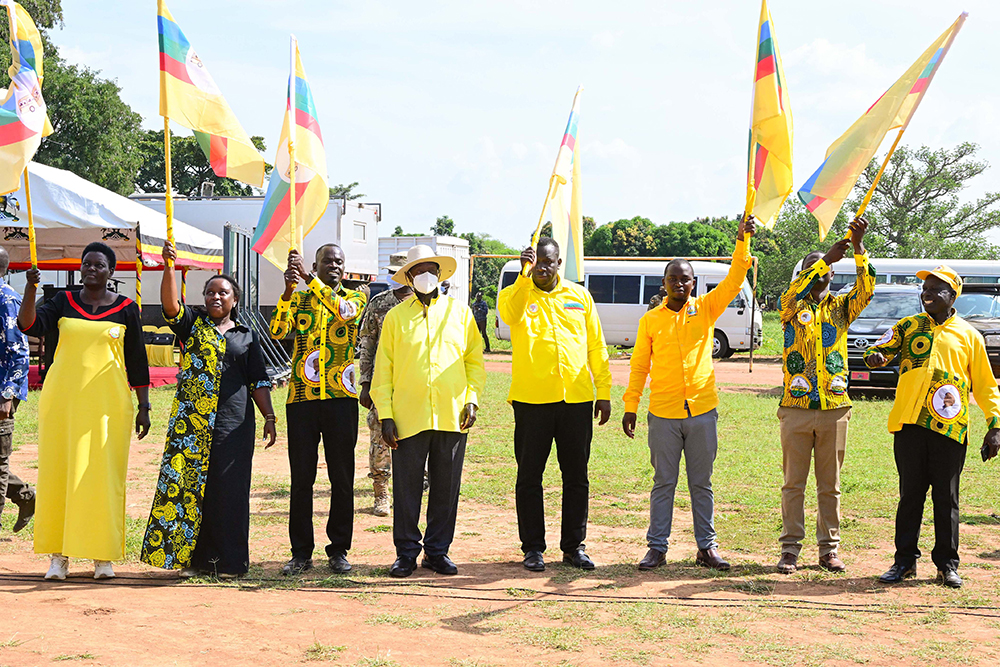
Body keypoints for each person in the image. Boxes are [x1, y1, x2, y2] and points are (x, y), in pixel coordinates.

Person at [622, 215, 756, 571]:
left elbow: (735, 278)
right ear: (664, 283)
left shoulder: (706, 308)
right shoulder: (650, 320)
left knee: (702, 483)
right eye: (673, 278)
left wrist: (742, 241)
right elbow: (639, 368)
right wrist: (631, 406)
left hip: (701, 412)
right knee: (663, 483)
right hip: (663, 414)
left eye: (685, 279)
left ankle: (706, 548)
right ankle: (657, 548)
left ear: (693, 283)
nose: (679, 283)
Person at [140, 242, 276, 578]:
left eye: (224, 293)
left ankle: (229, 564)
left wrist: (269, 417)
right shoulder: (193, 325)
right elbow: (171, 306)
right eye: (211, 292)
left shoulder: (246, 337)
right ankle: (191, 561)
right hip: (191, 424)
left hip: (234, 425)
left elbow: (258, 380)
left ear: (235, 299)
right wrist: (168, 266)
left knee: (228, 492)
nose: (216, 298)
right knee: (187, 488)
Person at [18, 242, 150, 580]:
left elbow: (137, 360)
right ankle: (58, 557)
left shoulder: (126, 308)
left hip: (108, 405)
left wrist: (144, 406)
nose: (91, 269)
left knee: (101, 478)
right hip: (63, 401)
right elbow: (28, 326)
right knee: (59, 475)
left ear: (111, 271)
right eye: (86, 264)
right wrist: (31, 288)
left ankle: (102, 557)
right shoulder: (62, 302)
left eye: (98, 265)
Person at [865, 266, 1000, 589]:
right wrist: (876, 357)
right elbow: (878, 348)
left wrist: (995, 425)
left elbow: (985, 385)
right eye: (925, 288)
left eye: (936, 289)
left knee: (946, 498)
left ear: (953, 296)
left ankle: (947, 565)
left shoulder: (968, 335)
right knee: (910, 496)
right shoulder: (908, 327)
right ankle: (904, 562)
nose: (927, 293)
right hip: (909, 425)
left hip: (949, 431)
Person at [497, 238, 612, 572]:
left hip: (576, 399)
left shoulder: (579, 296)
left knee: (576, 477)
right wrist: (522, 274)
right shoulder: (514, 294)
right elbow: (510, 314)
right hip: (532, 401)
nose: (542, 268)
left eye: (548, 262)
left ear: (559, 263)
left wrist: (602, 390)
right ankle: (533, 548)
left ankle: (574, 547)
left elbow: (595, 346)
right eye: (536, 263)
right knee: (530, 477)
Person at [371, 244, 485, 578]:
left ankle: (437, 551)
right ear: (408, 277)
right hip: (408, 417)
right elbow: (383, 370)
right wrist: (387, 415)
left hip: (452, 413)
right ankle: (405, 552)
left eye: (431, 270)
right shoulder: (395, 318)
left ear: (440, 275)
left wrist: (472, 398)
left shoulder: (460, 314)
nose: (425, 276)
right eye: (418, 271)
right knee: (406, 488)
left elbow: (474, 361)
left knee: (446, 488)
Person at [774, 218, 874, 575]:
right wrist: (825, 259)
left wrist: (858, 248)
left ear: (833, 276)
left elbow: (867, 289)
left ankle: (828, 550)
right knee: (793, 484)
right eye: (814, 268)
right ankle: (790, 549)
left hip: (834, 409)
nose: (821, 273)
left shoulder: (840, 308)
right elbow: (792, 292)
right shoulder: (789, 306)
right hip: (796, 409)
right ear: (804, 273)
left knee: (829, 487)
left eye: (827, 269)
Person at [270, 244, 367, 576]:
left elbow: (345, 314)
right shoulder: (299, 299)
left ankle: (338, 549)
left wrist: (310, 280)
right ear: (316, 264)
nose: (335, 266)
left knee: (342, 477)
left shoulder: (356, 296)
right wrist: (287, 290)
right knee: (302, 478)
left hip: (341, 397)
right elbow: (277, 331)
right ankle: (300, 552)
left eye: (340, 261)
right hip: (302, 399)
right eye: (328, 261)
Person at [357, 253, 413, 517]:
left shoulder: (426, 303)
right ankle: (381, 492)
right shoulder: (380, 304)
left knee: (415, 434)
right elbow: (367, 344)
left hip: (415, 382)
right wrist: (366, 382)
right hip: (384, 382)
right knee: (380, 437)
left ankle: (416, 486)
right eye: (394, 272)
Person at [0, 246, 34, 533]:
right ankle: (25, 495)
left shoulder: (7, 299)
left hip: (2, 390)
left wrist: (7, 394)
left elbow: (19, 352)